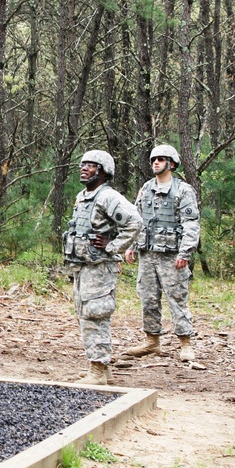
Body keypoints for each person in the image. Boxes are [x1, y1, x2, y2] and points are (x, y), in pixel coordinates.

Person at [62, 150, 142, 385]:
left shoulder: (109, 197)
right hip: (83, 267)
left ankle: (97, 370)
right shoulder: (82, 196)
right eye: (83, 164)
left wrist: (113, 246)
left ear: (103, 170)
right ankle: (100, 367)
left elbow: (135, 222)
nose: (83, 168)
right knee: (84, 315)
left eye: (90, 165)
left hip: (99, 268)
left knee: (96, 314)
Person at [123, 144, 201, 362]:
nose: (155, 162)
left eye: (160, 159)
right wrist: (131, 246)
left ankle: (185, 343)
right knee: (148, 299)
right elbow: (137, 219)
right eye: (153, 159)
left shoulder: (183, 190)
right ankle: (152, 341)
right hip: (147, 254)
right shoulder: (146, 188)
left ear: (172, 163)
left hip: (172, 256)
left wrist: (185, 253)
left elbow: (191, 224)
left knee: (177, 299)